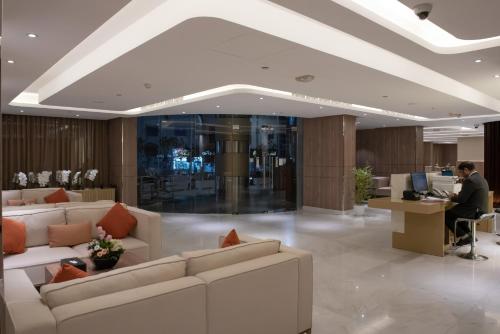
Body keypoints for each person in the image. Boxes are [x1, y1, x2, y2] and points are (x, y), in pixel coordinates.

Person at [445, 161, 489, 246]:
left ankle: (464, 236)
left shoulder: (470, 180)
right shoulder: (481, 178)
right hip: (481, 209)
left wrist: (451, 196)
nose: (460, 174)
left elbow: (461, 199)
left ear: (466, 170)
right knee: (457, 213)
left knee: (447, 215)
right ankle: (470, 235)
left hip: (473, 211)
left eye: (460, 172)